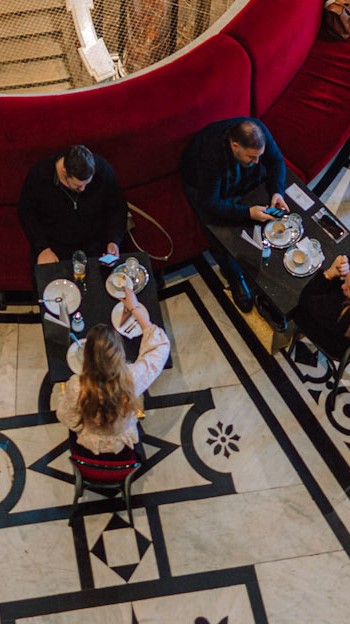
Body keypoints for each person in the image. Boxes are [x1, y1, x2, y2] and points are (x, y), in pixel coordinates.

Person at [181, 116, 288, 301]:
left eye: (259, 155)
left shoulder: (258, 132)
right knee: (218, 229)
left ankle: (271, 257)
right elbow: (210, 203)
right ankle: (234, 276)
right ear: (235, 146)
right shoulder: (210, 155)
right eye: (252, 156)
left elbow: (277, 160)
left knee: (267, 199)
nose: (257, 160)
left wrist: (277, 192)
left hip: (239, 172)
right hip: (203, 185)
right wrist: (247, 213)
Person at [52, 286, 169, 455]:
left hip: (92, 440)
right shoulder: (132, 377)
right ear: (119, 354)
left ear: (88, 355)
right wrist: (134, 308)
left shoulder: (77, 385)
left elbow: (68, 419)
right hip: (123, 438)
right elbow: (160, 345)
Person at [18, 144, 128, 265]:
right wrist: (42, 248)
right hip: (54, 245)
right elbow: (26, 213)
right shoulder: (39, 175)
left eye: (87, 184)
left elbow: (118, 208)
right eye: (77, 185)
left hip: (96, 243)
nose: (83, 189)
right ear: (64, 171)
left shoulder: (103, 169)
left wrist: (113, 240)